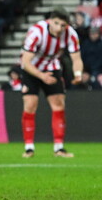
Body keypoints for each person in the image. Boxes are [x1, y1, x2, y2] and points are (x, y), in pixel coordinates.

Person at [18, 10, 84, 158]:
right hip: (32, 70)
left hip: (52, 68)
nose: (59, 28)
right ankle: (29, 148)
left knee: (59, 104)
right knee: (30, 104)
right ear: (49, 21)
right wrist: (42, 76)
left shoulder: (71, 34)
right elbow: (25, 62)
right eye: (56, 23)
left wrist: (78, 74)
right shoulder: (36, 32)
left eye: (63, 25)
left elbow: (76, 58)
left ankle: (59, 148)